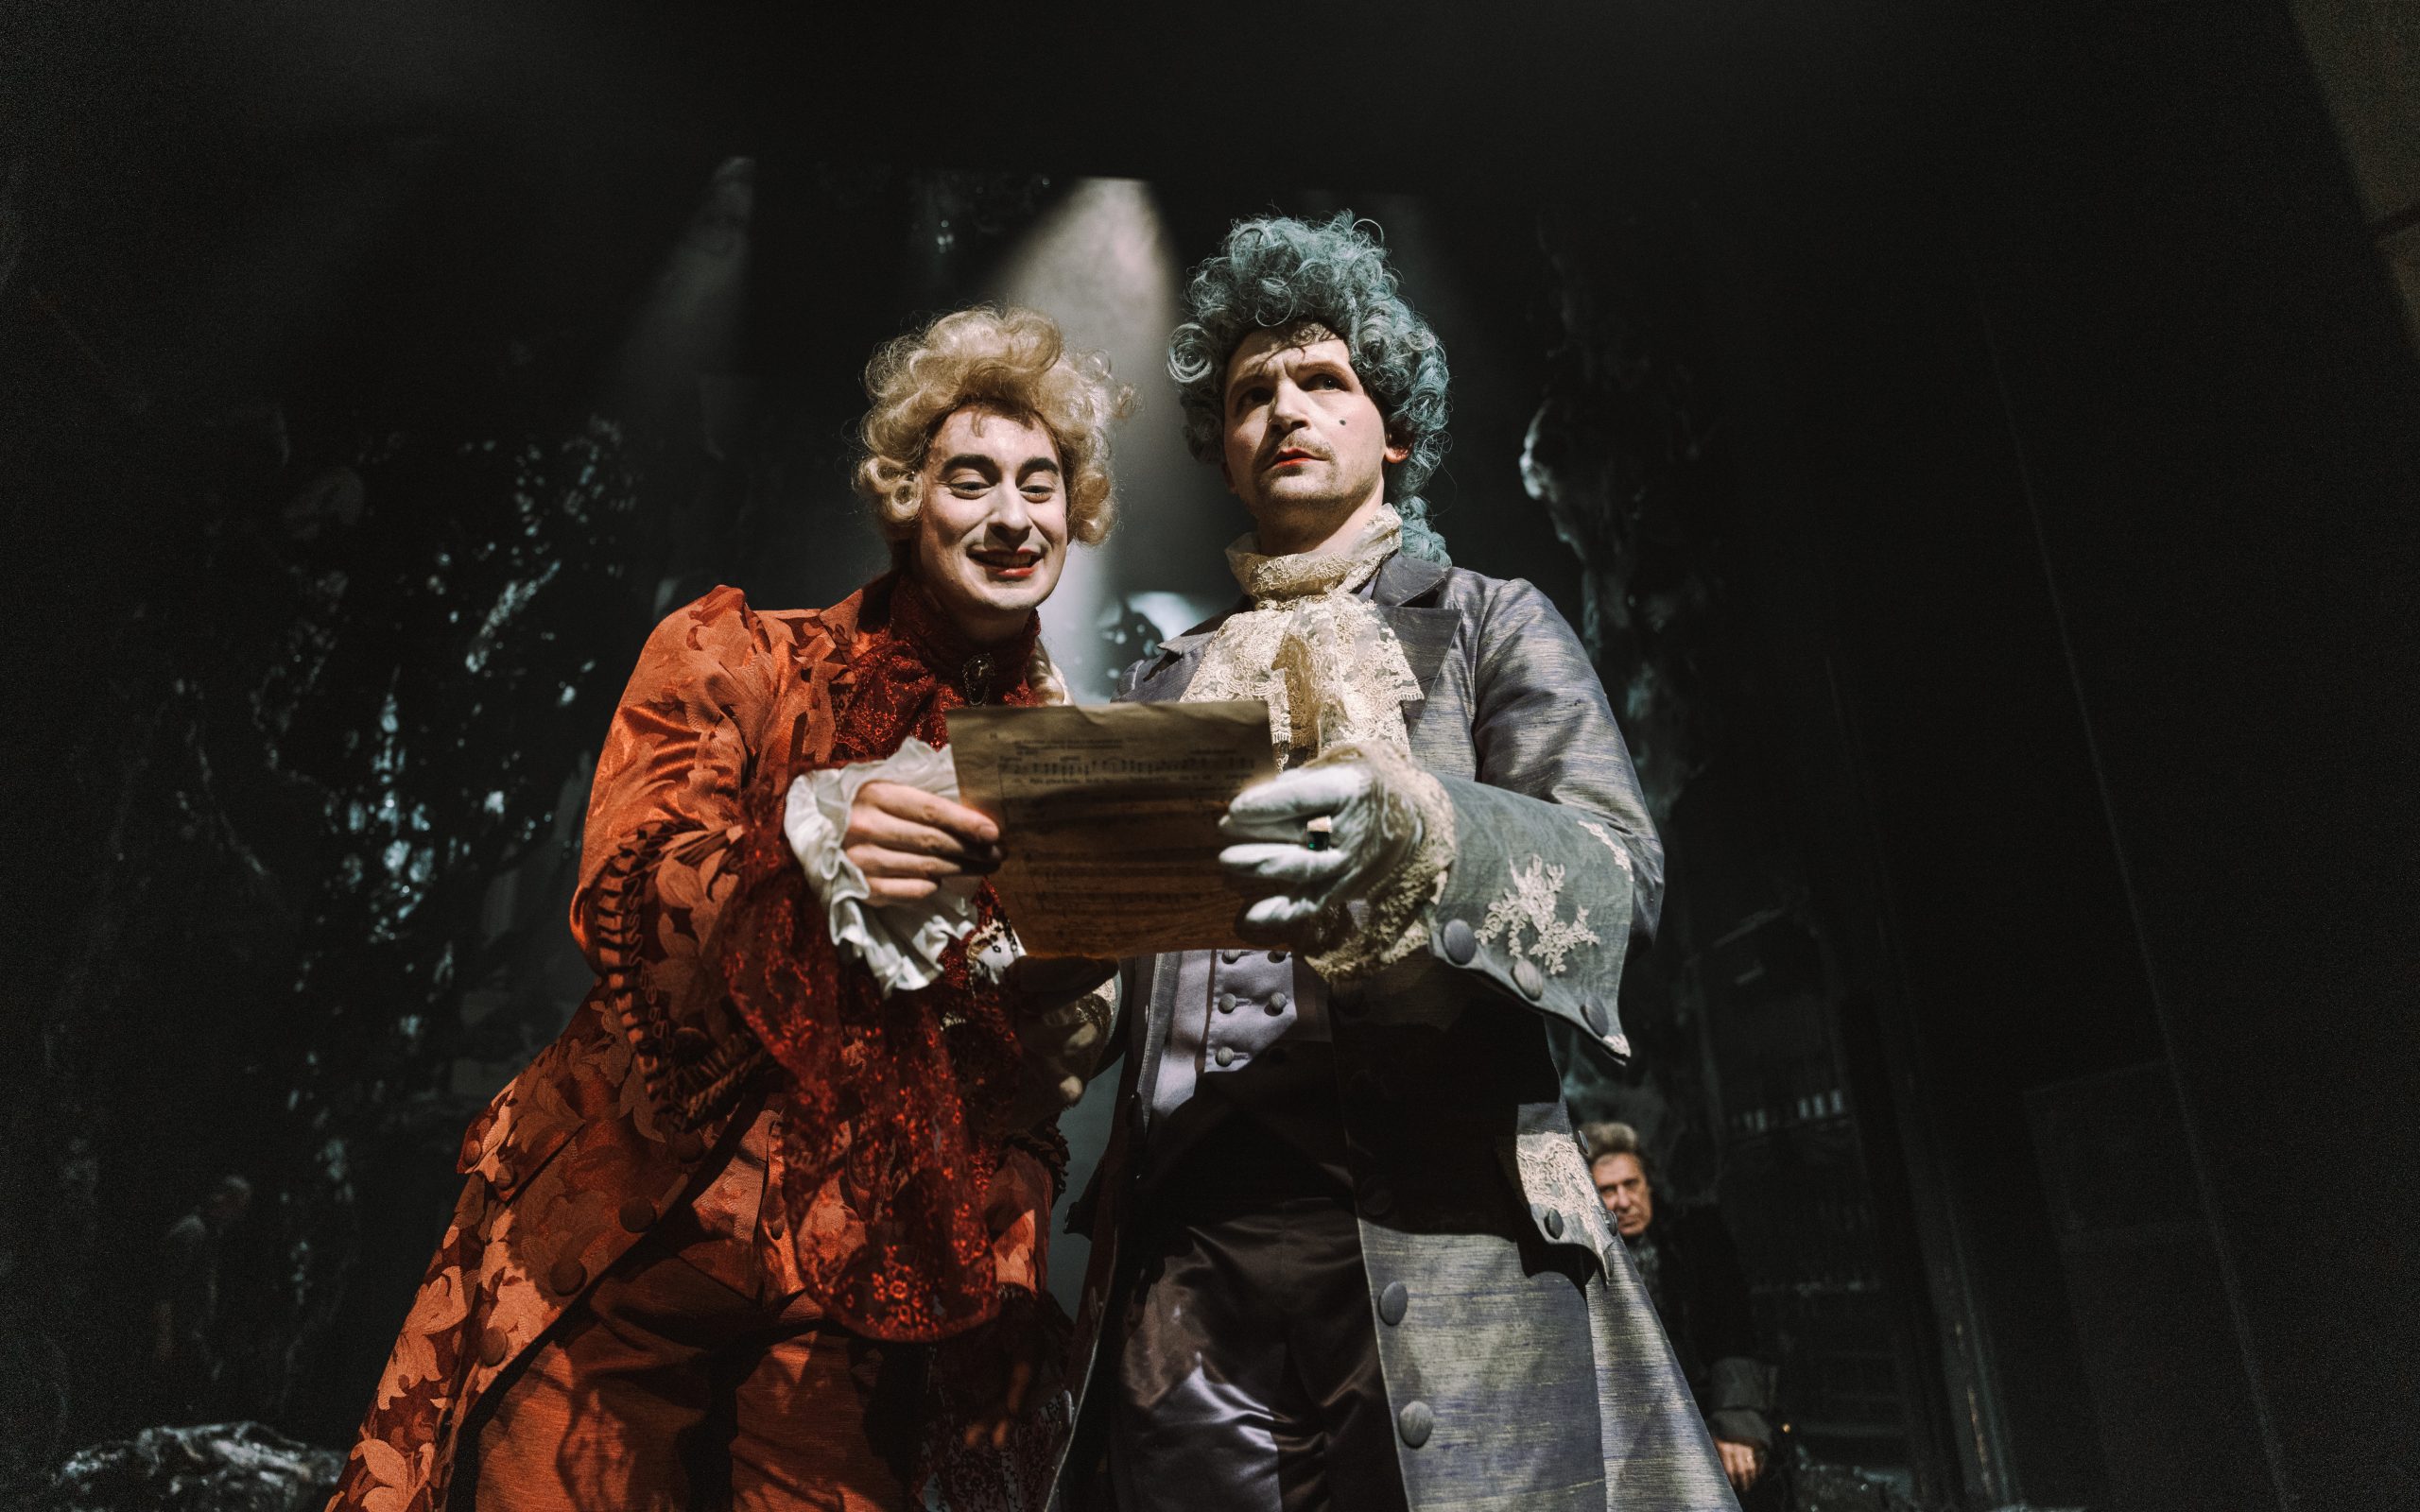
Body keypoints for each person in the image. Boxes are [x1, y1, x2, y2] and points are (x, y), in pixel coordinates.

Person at [328, 305, 1128, 1512]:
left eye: (1040, 483)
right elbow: (630, 885)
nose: (1011, 515)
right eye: (971, 478)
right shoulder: (742, 655)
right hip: (636, 1235)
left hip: (858, 1293)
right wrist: (811, 846)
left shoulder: (1071, 768)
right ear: (906, 496)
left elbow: (1019, 1076)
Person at [1049, 214, 1737, 1511]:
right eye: (1250, 394)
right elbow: (1106, 964)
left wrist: (1427, 835)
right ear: (1222, 450)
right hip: (1185, 1268)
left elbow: (1615, 874)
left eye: (1322, 379)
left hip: (1443, 1231)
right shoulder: (1164, 680)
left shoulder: (1487, 622)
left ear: (1395, 430)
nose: (1285, 410)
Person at [1583, 1122, 1775, 1500]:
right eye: (1608, 1190)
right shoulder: (1583, 1262)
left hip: (1702, 1409)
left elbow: (1733, 1326)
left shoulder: (1695, 1238)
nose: (1623, 1201)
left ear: (1648, 1184)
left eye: (1631, 1184)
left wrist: (1736, 1422)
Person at [152, 1174, 252, 1421]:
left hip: (192, 1335)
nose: (237, 1216)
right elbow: (164, 1288)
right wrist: (164, 1338)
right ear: (222, 1200)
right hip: (179, 1334)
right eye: (236, 1207)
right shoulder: (191, 1232)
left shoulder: (209, 1234)